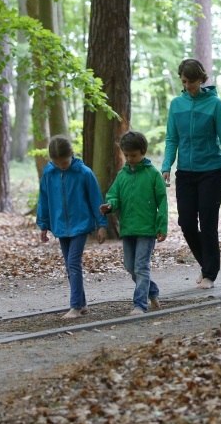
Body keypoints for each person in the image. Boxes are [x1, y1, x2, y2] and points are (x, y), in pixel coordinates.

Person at [161, 59, 221, 290]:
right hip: (185, 173)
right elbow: (172, 138)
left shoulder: (215, 105)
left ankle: (210, 274)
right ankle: (207, 265)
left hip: (211, 172)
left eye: (192, 82)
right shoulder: (176, 105)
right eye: (184, 82)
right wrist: (166, 166)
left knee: (208, 222)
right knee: (185, 221)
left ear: (201, 80)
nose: (188, 86)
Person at [37, 135, 108, 319]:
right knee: (70, 266)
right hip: (60, 226)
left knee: (73, 263)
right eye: (58, 163)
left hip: (81, 224)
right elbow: (44, 200)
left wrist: (101, 224)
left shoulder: (84, 173)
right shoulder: (49, 174)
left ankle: (75, 306)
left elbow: (96, 200)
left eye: (65, 162)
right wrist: (43, 224)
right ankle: (82, 304)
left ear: (72, 155)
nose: (62, 166)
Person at [100, 131, 169, 315]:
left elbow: (162, 201)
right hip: (128, 228)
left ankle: (139, 304)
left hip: (147, 229)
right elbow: (113, 195)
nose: (130, 159)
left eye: (134, 155)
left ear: (143, 152)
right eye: (127, 155)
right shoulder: (122, 175)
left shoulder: (153, 174)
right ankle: (152, 291)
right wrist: (110, 205)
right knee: (130, 267)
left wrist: (161, 226)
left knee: (141, 266)